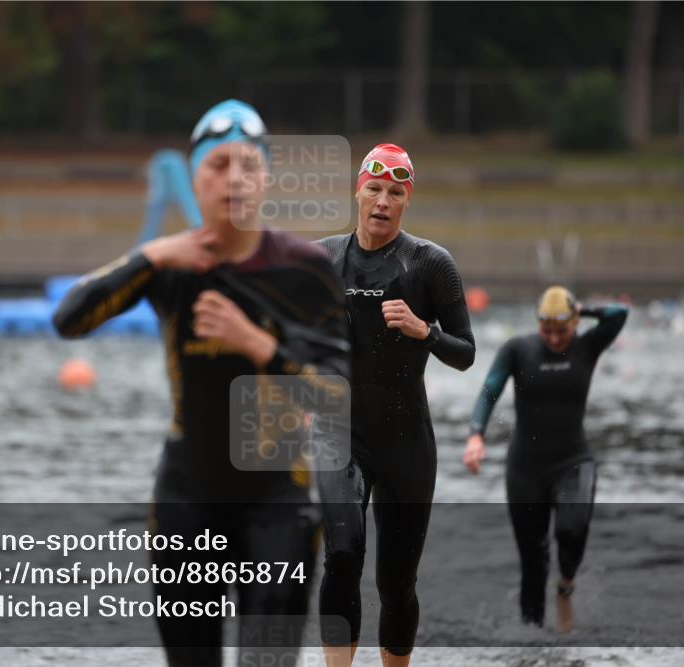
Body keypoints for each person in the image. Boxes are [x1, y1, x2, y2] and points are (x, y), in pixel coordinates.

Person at [53, 99, 350, 666]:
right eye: (218, 165)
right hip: (186, 505)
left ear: (266, 178)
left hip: (277, 504)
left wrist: (258, 345)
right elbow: (70, 319)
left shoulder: (304, 269)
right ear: (195, 178)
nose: (234, 179)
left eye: (247, 165)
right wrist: (151, 254)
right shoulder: (169, 265)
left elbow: (337, 398)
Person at [314, 144, 476, 666]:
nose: (383, 201)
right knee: (340, 558)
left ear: (407, 201)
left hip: (407, 441)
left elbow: (467, 353)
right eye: (375, 189)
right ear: (358, 191)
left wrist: (423, 330)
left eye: (395, 193)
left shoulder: (431, 264)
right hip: (339, 437)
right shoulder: (320, 260)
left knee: (396, 584)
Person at [463, 286, 629, 632]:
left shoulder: (588, 344)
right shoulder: (518, 349)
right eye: (546, 330)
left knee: (572, 529)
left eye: (562, 330)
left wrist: (581, 310)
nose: (554, 338)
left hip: (573, 462)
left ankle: (565, 589)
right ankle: (532, 638)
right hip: (526, 469)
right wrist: (476, 434)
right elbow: (489, 389)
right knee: (533, 563)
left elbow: (619, 314)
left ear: (575, 323)